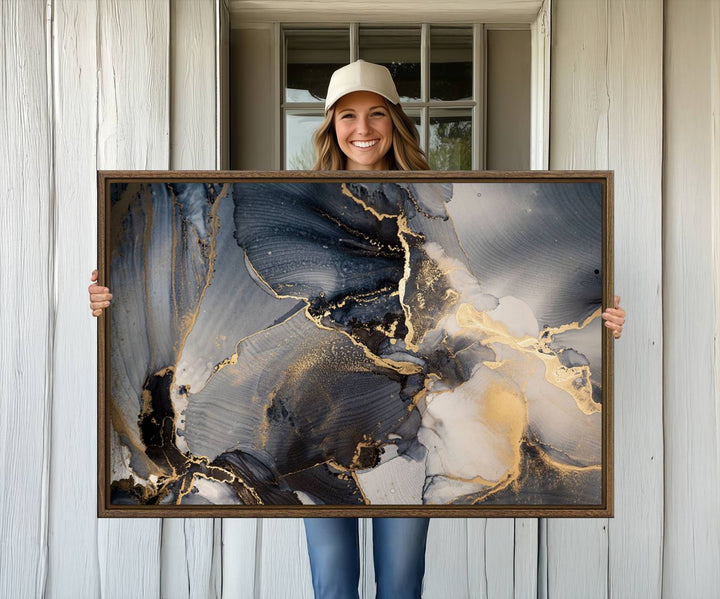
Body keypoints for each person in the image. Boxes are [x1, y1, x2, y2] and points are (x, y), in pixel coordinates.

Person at [89, 60, 626, 599]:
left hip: (412, 420)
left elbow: (474, 293)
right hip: (305, 414)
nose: (363, 129)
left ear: (395, 121)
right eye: (348, 116)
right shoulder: (291, 199)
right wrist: (110, 297)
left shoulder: (434, 202)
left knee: (400, 581)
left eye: (376, 115)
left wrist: (595, 324)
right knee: (333, 583)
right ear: (331, 125)